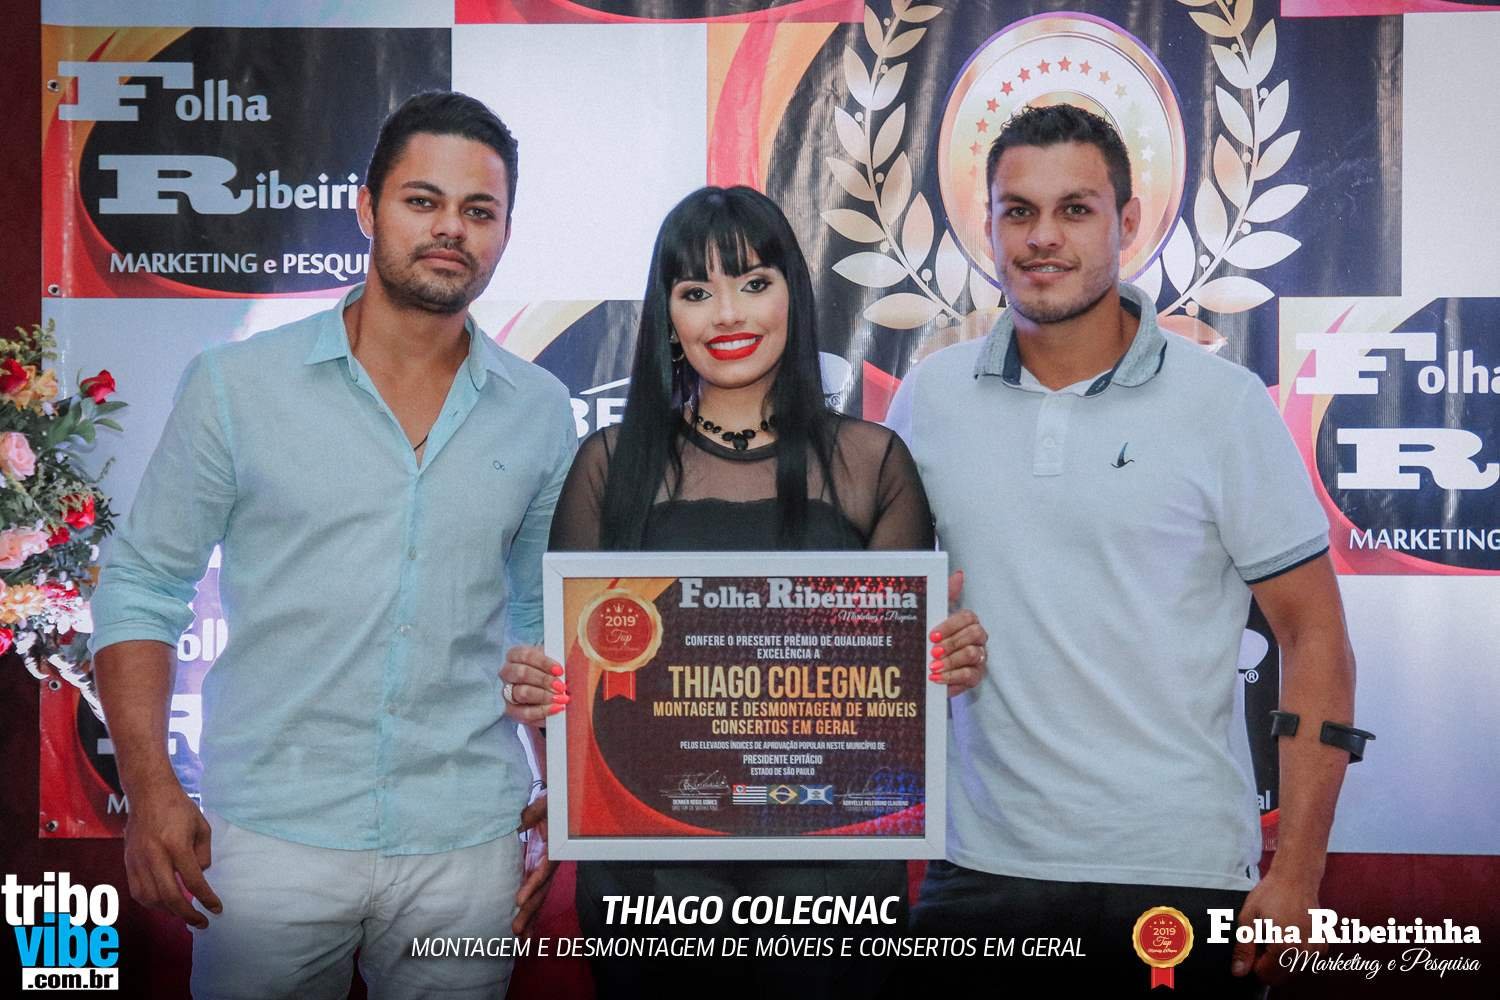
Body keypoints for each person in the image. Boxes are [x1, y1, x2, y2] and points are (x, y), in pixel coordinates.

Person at [89, 91, 575, 999]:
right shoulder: (237, 385)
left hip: (466, 838)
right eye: (422, 201)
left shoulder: (542, 410)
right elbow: (143, 585)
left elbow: (537, 616)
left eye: (479, 211)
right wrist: (150, 788)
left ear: (506, 232)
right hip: (270, 834)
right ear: (365, 208)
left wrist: (566, 789)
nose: (451, 229)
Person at [887, 104, 1358, 995]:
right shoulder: (929, 398)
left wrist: (1298, 873)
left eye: (1076, 209)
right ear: (988, 226)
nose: (1043, 237)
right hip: (981, 867)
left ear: (1128, 222)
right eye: (1018, 211)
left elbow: (1316, 636)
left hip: (1177, 871)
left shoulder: (1223, 405)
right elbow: (883, 615)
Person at [499, 185, 987, 998]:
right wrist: (540, 690)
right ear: (668, 317)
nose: (728, 314)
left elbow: (896, 692)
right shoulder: (609, 468)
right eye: (696, 292)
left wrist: (940, 660)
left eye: (755, 283)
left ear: (794, 293)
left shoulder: (873, 464)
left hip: (830, 876)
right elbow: (572, 684)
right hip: (652, 877)